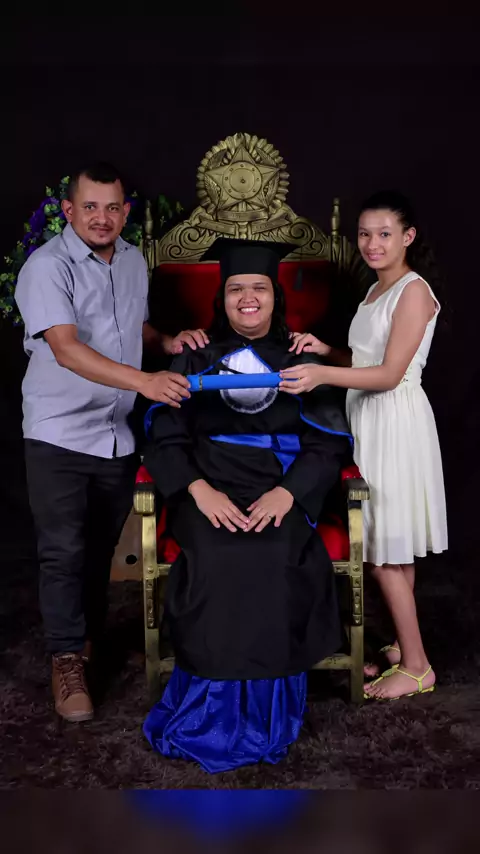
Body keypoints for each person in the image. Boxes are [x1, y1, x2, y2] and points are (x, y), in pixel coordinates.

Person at [141, 238, 352, 773]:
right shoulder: (194, 355)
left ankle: (265, 714)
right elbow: (165, 435)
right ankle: (207, 711)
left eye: (259, 287)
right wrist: (197, 490)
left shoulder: (302, 360)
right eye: (236, 288)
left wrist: (289, 493)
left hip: (279, 487)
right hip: (207, 486)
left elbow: (327, 443)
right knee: (218, 554)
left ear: (276, 297)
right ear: (223, 297)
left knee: (273, 553)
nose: (248, 297)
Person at [14, 162, 208, 722]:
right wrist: (146, 381)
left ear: (125, 212)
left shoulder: (130, 260)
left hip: (115, 434)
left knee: (99, 550)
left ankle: (88, 642)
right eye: (90, 207)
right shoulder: (46, 267)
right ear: (68, 211)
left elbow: (131, 328)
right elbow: (67, 348)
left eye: (112, 207)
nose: (102, 218)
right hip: (59, 432)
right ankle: (65, 660)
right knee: (62, 552)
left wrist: (166, 342)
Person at [280, 190, 448, 701]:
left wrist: (320, 374)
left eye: (385, 234)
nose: (373, 244)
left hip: (394, 420)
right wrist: (326, 350)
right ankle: (403, 642)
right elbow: (366, 358)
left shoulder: (413, 291)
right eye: (365, 234)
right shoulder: (377, 289)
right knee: (392, 545)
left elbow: (391, 373)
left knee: (383, 553)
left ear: (408, 237)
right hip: (369, 416)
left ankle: (418, 667)